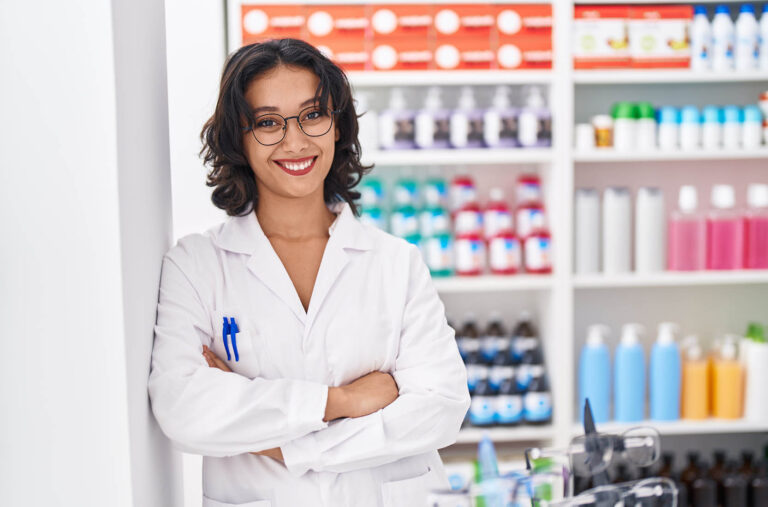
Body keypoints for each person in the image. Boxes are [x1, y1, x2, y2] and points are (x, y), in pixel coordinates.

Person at [148, 38, 470, 507]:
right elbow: (183, 410)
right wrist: (340, 402)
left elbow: (440, 410)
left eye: (313, 115)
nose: (295, 141)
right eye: (268, 122)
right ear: (237, 137)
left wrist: (278, 444)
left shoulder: (395, 262)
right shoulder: (196, 265)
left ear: (337, 126)